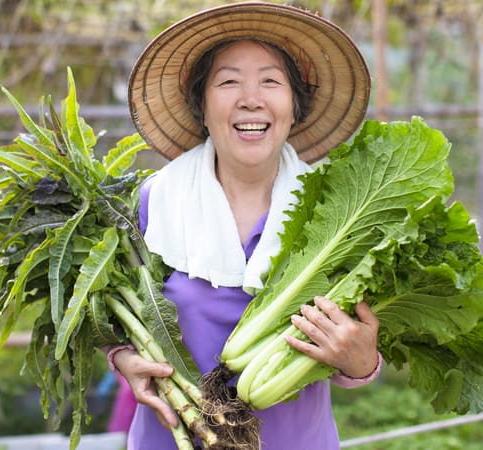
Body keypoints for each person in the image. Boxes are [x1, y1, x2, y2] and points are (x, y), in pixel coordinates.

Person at [107, 3, 382, 449]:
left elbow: (363, 347)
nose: (250, 98)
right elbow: (109, 317)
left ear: (296, 106)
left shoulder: (341, 209)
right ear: (202, 106)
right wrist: (121, 358)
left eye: (271, 81)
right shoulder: (151, 203)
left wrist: (362, 360)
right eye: (228, 81)